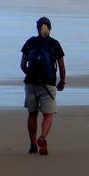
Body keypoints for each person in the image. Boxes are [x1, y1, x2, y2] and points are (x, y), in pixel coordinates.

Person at [20, 16, 66, 155]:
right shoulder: (54, 44)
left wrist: (31, 76)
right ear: (50, 28)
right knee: (48, 114)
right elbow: (62, 67)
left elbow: (22, 65)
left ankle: (33, 144)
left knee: (32, 114)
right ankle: (43, 137)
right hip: (48, 84)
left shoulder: (30, 42)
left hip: (31, 84)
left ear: (37, 28)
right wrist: (62, 81)